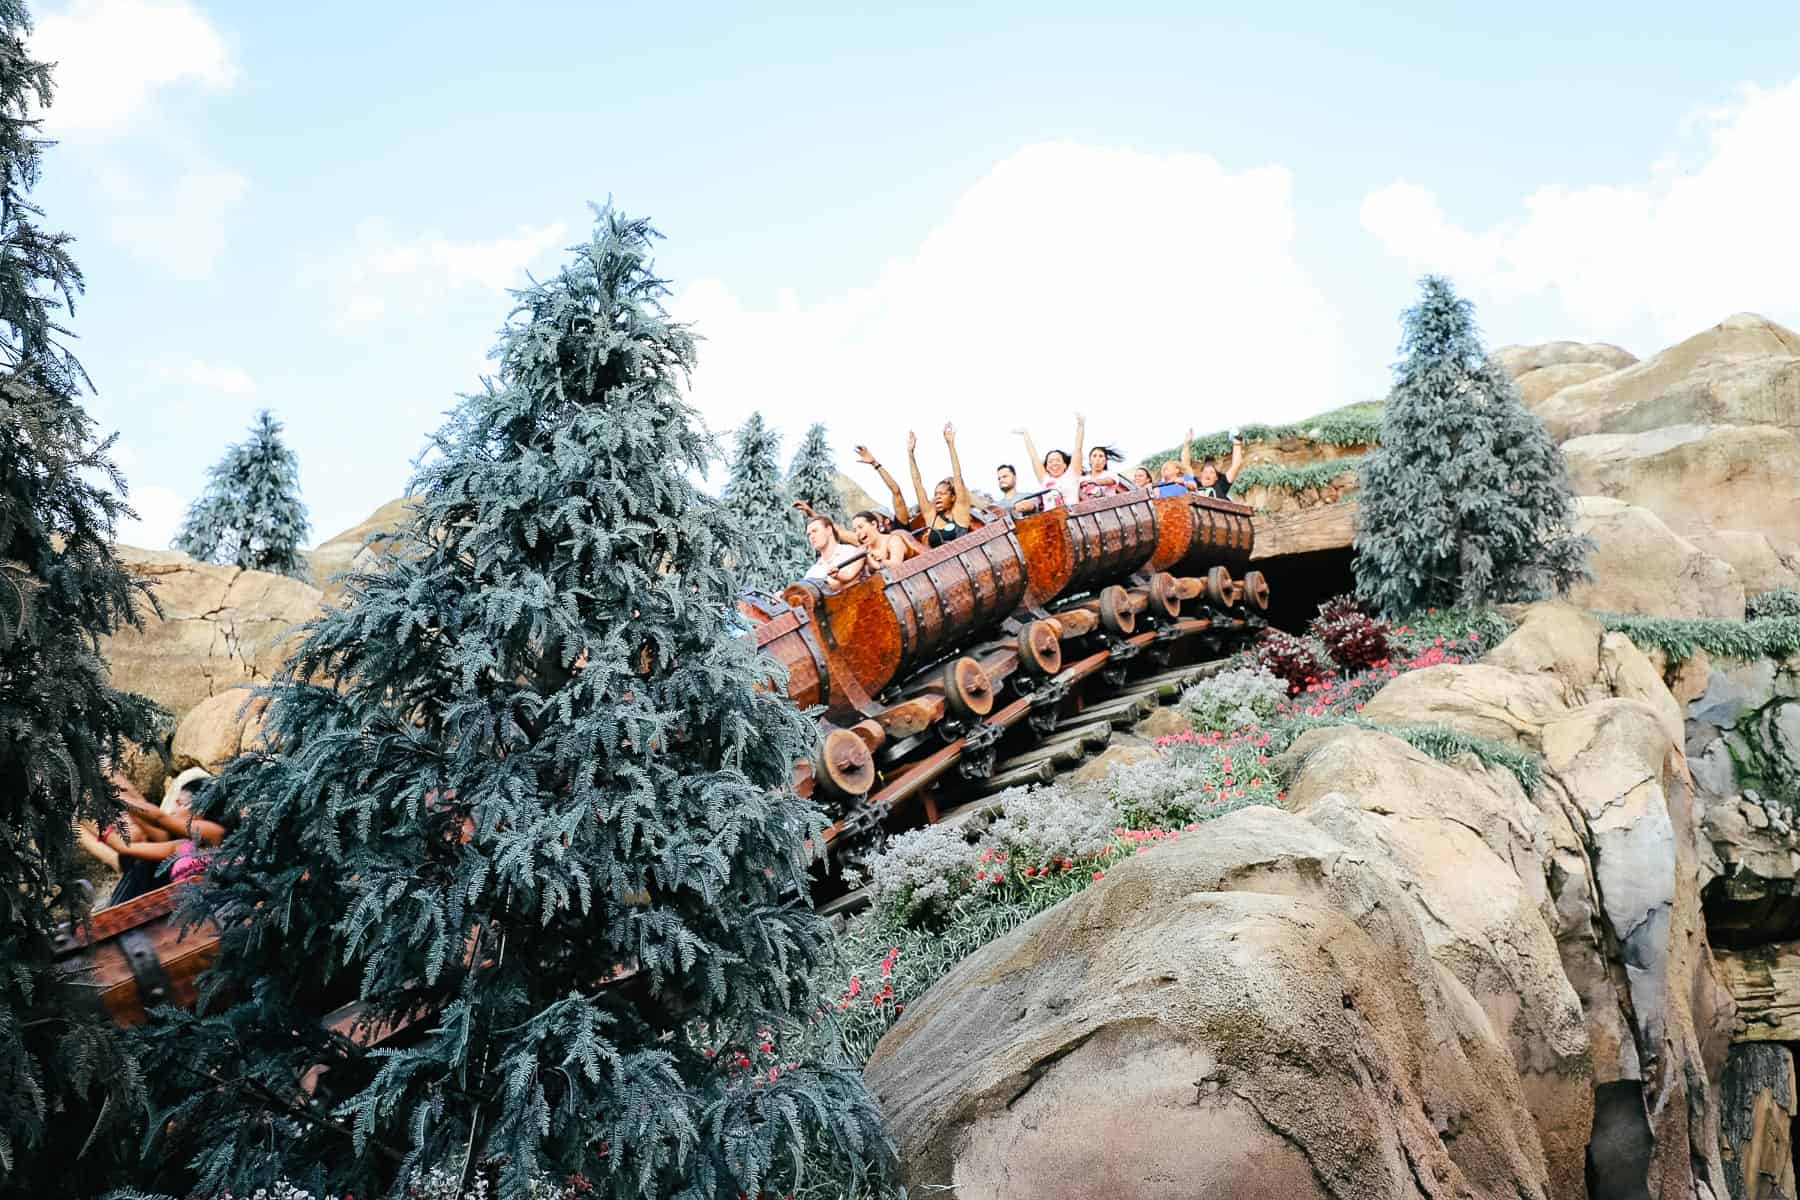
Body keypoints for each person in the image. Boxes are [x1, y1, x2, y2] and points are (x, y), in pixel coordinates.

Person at [100, 768, 226, 900]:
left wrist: (113, 796)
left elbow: (160, 818)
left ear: (200, 810)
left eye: (180, 804)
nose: (173, 809)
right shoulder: (180, 846)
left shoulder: (215, 834)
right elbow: (123, 846)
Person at [907, 423, 976, 547]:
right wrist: (910, 453)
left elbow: (958, 476)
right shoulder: (930, 516)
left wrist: (950, 444)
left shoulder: (960, 512)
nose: (937, 497)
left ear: (953, 497)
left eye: (942, 494)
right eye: (936, 494)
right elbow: (917, 484)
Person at [1014, 414, 1084, 510]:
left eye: (1058, 460)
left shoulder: (1072, 474)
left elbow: (1078, 449)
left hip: (1072, 516)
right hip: (1052, 519)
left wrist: (1081, 425)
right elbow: (1034, 458)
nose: (1054, 464)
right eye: (1050, 461)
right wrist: (1026, 435)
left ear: (1065, 465)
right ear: (1046, 467)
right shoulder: (1045, 479)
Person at [852, 445, 912, 527]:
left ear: (887, 520)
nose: (871, 520)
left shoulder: (899, 527)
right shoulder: (873, 538)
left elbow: (896, 491)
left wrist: (874, 463)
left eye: (874, 517)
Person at [801, 514, 866, 586]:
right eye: (809, 534)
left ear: (829, 530)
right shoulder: (812, 572)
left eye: (815, 531)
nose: (812, 536)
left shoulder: (851, 552)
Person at [850, 509, 922, 571]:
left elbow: (897, 565)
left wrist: (880, 563)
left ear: (874, 524)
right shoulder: (864, 550)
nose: (858, 532)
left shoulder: (893, 540)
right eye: (855, 530)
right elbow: (849, 574)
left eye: (861, 527)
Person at [1193, 429, 1245, 500]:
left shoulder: (1220, 485)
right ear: (1201, 475)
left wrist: (1237, 444)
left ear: (1216, 478)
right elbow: (1185, 466)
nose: (1208, 474)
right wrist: (1186, 444)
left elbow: (1236, 465)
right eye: (1205, 472)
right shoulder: (1195, 485)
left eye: (1212, 472)